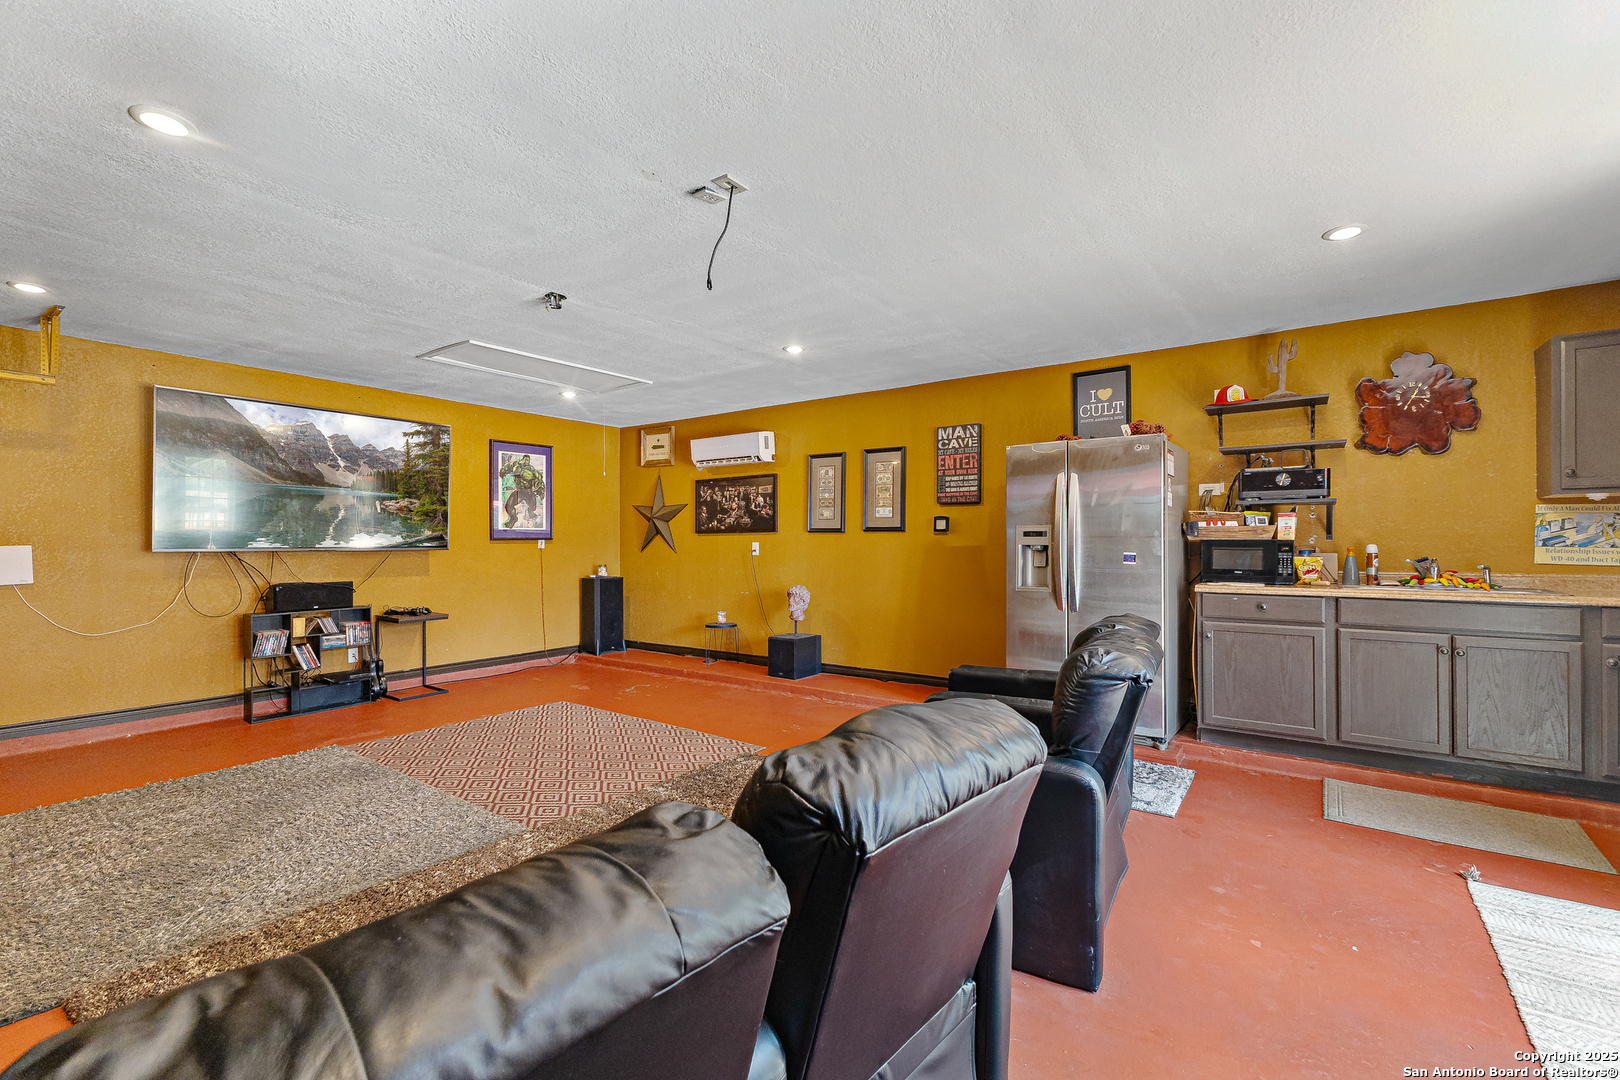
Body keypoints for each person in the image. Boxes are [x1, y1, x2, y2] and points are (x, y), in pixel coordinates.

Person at [500, 453, 545, 529]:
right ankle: (513, 519)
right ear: (523, 458)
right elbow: (507, 468)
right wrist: (503, 471)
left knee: (532, 509)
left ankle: (530, 514)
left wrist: (539, 489)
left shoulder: (532, 470)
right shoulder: (515, 465)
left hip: (529, 492)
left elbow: (538, 481)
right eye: (525, 459)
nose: (526, 461)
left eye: (528, 459)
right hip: (519, 491)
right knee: (508, 506)